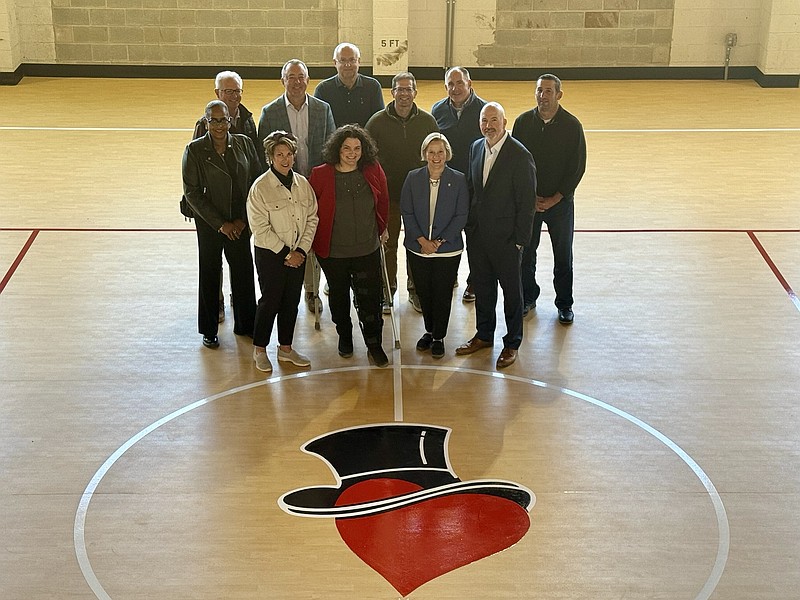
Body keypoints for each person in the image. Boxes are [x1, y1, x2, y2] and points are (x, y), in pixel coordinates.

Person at [455, 102, 536, 369]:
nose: (488, 126)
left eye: (493, 120)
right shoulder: (476, 147)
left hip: (507, 241)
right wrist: (469, 225)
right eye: (484, 120)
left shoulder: (519, 155)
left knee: (512, 295)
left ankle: (512, 342)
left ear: (504, 122)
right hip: (478, 236)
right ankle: (484, 335)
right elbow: (472, 189)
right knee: (484, 289)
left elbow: (526, 203)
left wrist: (519, 242)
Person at [257, 59, 336, 316]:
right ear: (283, 80)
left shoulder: (323, 110)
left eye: (301, 76)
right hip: (284, 188)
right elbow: (263, 154)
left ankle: (312, 292)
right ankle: (288, 289)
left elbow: (331, 148)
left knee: (310, 238)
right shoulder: (270, 112)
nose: (297, 81)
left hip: (313, 186)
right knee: (289, 238)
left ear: (308, 79)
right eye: (291, 77)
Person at [309, 125, 391, 368]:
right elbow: (311, 209)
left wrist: (382, 227)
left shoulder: (373, 169)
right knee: (339, 297)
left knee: (371, 298)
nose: (352, 153)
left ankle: (374, 344)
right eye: (347, 148)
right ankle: (345, 336)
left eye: (357, 148)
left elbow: (383, 200)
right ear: (337, 149)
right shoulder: (320, 174)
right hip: (334, 253)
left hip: (367, 248)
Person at [182, 100, 262, 349]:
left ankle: (246, 324)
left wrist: (241, 220)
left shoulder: (244, 144)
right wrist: (221, 224)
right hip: (210, 225)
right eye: (213, 120)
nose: (219, 125)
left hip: (239, 223)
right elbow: (192, 193)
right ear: (206, 122)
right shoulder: (194, 150)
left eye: (223, 119)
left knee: (243, 271)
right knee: (209, 273)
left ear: (230, 120)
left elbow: (256, 183)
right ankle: (208, 329)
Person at [512, 74, 586, 325]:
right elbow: (516, 164)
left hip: (560, 206)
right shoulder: (522, 123)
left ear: (558, 95)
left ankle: (564, 303)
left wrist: (555, 198)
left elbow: (577, 168)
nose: (542, 96)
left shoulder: (572, 126)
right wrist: (529, 198)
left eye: (548, 92)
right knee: (526, 253)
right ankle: (528, 297)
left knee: (563, 256)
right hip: (530, 204)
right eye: (539, 91)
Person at [365, 72, 438, 314]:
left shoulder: (428, 122)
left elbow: (437, 157)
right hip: (389, 198)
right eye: (400, 89)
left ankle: (415, 290)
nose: (404, 94)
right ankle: (388, 290)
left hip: (419, 198)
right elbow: (367, 160)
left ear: (415, 93)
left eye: (409, 89)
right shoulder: (376, 123)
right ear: (392, 92)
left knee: (416, 244)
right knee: (388, 244)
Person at [247, 131, 319, 373]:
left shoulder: (303, 184)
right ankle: (259, 349)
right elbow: (260, 229)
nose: (285, 159)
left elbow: (312, 218)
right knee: (270, 301)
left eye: (289, 154)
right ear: (270, 157)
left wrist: (301, 250)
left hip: (298, 254)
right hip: (271, 255)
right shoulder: (260, 188)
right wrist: (287, 253)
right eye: (280, 155)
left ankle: (285, 348)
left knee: (291, 301)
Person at [191, 71, 258, 323]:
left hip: (240, 212)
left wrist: (244, 217)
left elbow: (253, 172)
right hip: (212, 216)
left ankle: (244, 315)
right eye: (227, 92)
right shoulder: (198, 137)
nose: (233, 96)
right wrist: (219, 222)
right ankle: (214, 309)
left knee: (242, 266)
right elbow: (193, 184)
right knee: (210, 266)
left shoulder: (248, 122)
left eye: (237, 91)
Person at [400, 133, 469, 359]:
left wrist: (438, 242)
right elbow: (407, 212)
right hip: (418, 248)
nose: (436, 156)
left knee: (442, 294)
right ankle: (429, 330)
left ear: (447, 154)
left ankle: (439, 336)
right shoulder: (412, 178)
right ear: (424, 155)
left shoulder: (458, 179)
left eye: (440, 152)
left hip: (447, 250)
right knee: (424, 293)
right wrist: (422, 241)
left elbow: (461, 215)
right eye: (431, 152)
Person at [431, 66, 487, 303]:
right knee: (448, 232)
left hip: (474, 184)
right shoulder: (438, 110)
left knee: (475, 236)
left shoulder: (483, 110)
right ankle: (449, 274)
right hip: (449, 185)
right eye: (450, 85)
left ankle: (474, 280)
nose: (455, 89)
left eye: (459, 83)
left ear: (469, 83)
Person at [313, 42, 385, 128]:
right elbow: (318, 124)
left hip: (364, 140)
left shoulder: (373, 87)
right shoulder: (323, 90)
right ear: (335, 63)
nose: (348, 65)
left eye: (352, 60)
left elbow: (379, 122)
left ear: (359, 61)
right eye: (342, 60)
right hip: (334, 141)